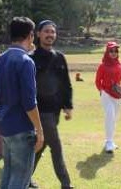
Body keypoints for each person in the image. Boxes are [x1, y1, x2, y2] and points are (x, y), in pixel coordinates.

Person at [0, 17, 44, 189]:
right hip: (22, 127)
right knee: (20, 178)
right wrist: (39, 129)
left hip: (5, 125)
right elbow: (29, 102)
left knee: (8, 172)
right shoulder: (26, 61)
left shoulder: (0, 59)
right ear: (30, 35)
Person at [29, 20, 74, 189]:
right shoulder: (30, 59)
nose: (50, 35)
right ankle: (66, 184)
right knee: (56, 146)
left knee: (40, 145)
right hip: (40, 112)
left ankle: (25, 178)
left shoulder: (59, 57)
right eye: (46, 31)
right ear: (38, 34)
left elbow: (66, 84)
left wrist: (67, 106)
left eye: (53, 32)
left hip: (54, 112)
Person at [95, 41, 121, 153]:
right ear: (107, 52)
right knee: (110, 115)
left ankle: (111, 140)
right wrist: (102, 91)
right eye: (111, 51)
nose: (113, 53)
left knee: (114, 118)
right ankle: (108, 142)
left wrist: (117, 90)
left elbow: (119, 79)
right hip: (106, 94)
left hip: (117, 94)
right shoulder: (102, 66)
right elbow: (98, 81)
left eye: (116, 51)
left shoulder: (119, 65)